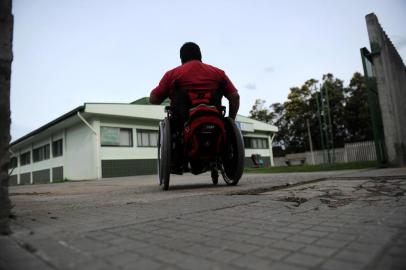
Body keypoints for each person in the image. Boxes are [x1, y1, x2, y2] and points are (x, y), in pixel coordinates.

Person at [149, 42, 240, 120]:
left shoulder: (172, 74)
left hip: (181, 128)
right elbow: (235, 97)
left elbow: (154, 100)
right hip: (216, 126)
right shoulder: (219, 73)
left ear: (181, 58)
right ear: (200, 56)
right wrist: (231, 120)